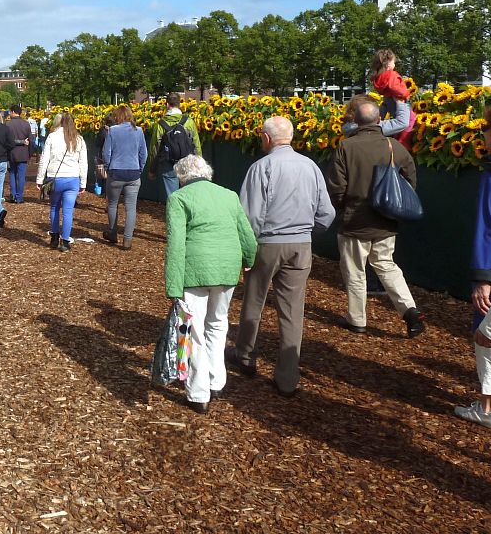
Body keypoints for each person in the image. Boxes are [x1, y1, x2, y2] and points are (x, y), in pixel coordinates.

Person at [225, 116, 336, 396]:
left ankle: (246, 355)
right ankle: (287, 378)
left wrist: (246, 251)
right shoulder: (310, 166)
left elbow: (249, 216)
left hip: (268, 243)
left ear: (266, 138)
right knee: (292, 310)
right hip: (301, 244)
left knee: (254, 299)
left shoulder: (261, 167)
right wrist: (307, 232)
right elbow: (327, 213)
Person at [165, 154, 258, 414]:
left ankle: (198, 392)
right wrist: (250, 258)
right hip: (227, 269)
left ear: (182, 177)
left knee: (193, 331)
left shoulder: (178, 198)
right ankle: (216, 380)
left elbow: (176, 245)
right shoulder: (228, 195)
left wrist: (173, 286)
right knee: (218, 324)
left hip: (195, 270)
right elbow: (246, 233)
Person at [325, 99, 425, 337]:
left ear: (355, 122)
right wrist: (394, 205)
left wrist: (344, 208)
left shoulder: (346, 147)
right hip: (385, 221)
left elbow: (336, 187)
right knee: (387, 266)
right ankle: (410, 310)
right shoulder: (393, 146)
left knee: (355, 271)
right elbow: (410, 178)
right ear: (380, 120)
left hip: (354, 222)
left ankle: (357, 319)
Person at [455, 107, 491, 430]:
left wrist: (483, 278)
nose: (483, 134)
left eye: (487, 129)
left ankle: (490, 408)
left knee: (488, 331)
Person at [36, 112, 88, 253]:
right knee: (68, 211)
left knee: (54, 208)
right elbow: (83, 162)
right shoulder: (78, 139)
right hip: (72, 178)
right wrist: (83, 182)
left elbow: (44, 159)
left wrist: (40, 179)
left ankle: (54, 237)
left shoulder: (52, 137)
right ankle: (65, 241)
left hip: (55, 177)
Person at [102, 104, 148, 250]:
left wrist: (108, 167)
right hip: (133, 172)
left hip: (116, 171)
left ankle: (113, 232)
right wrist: (140, 168)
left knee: (112, 204)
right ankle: (127, 239)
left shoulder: (112, 131)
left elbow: (106, 153)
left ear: (117, 117)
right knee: (131, 207)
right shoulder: (138, 131)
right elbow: (143, 153)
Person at [149, 92, 201, 199]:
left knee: (172, 197)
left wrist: (152, 169)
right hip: (188, 164)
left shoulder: (160, 125)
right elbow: (196, 145)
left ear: (167, 105)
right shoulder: (189, 122)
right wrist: (199, 165)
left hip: (168, 165)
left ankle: (174, 215)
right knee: (189, 196)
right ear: (179, 104)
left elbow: (154, 149)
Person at [370, 49, 416, 149]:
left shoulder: (379, 77)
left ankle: (397, 138)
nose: (394, 64)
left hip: (389, 102)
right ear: (388, 64)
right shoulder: (391, 75)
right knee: (410, 120)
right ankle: (403, 142)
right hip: (399, 101)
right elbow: (394, 87)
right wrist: (405, 94)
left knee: (396, 119)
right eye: (394, 62)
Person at [6, 105, 33, 204]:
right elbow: (31, 140)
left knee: (12, 174)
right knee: (21, 176)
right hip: (23, 152)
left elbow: (7, 140)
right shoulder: (26, 124)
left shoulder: (8, 124)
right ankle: (19, 196)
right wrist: (30, 153)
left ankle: (13, 194)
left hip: (12, 152)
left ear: (13, 111)